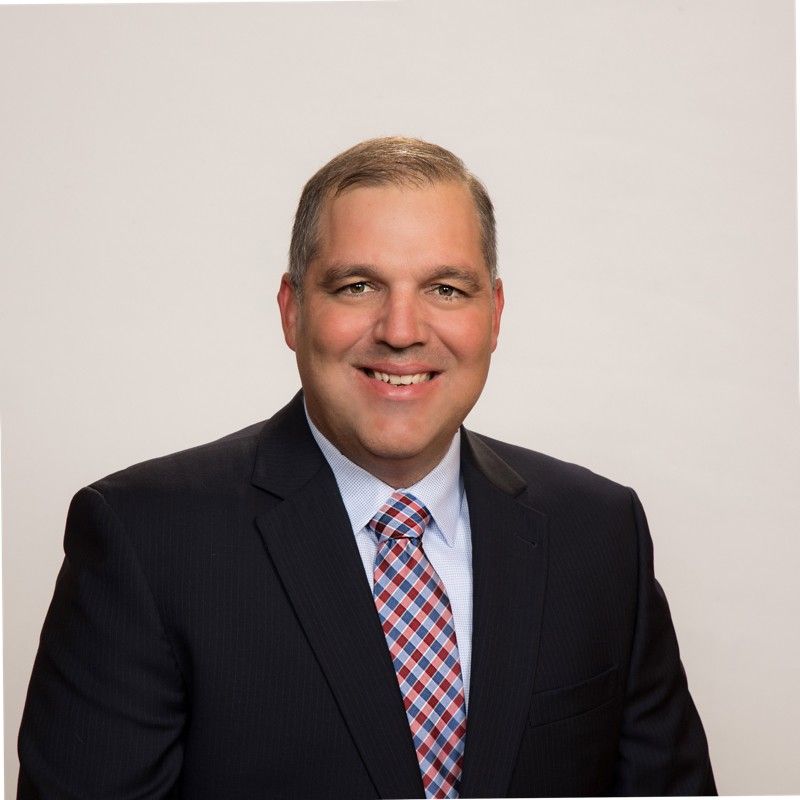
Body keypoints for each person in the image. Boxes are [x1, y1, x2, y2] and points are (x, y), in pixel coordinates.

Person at [17, 137, 715, 799]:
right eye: (357, 286)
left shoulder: (600, 533)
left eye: (446, 289)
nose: (402, 331)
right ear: (292, 311)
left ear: (495, 315)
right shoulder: (145, 540)